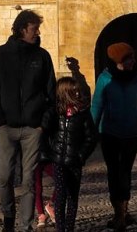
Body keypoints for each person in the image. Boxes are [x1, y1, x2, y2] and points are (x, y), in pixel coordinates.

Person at [0, 10, 56, 232]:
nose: (38, 33)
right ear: (22, 28)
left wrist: (43, 124)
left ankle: (25, 225)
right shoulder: (0, 55)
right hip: (7, 128)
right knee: (4, 176)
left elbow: (51, 94)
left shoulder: (42, 57)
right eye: (34, 29)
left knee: (28, 181)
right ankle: (8, 218)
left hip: (33, 129)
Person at [92, 42, 137, 231]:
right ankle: (119, 213)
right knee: (114, 173)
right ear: (119, 60)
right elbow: (97, 105)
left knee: (125, 172)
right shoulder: (105, 79)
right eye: (129, 58)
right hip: (110, 133)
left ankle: (123, 211)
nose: (133, 61)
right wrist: (92, 130)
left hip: (130, 133)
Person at [41, 76, 98, 232]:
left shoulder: (83, 113)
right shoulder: (55, 112)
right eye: (75, 91)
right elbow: (44, 133)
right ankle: (61, 228)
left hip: (75, 161)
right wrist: (49, 153)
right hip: (59, 160)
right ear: (65, 93)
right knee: (60, 196)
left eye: (78, 91)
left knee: (73, 196)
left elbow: (91, 137)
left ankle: (69, 228)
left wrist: (81, 156)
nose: (78, 94)